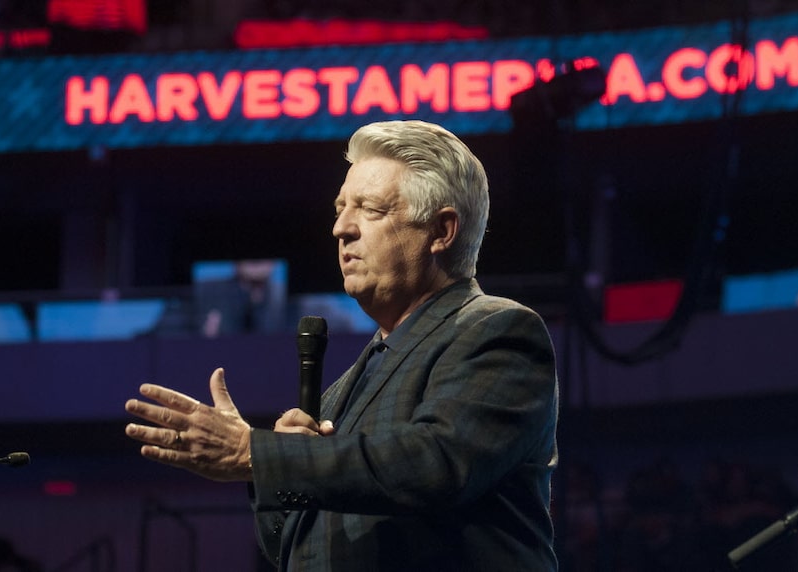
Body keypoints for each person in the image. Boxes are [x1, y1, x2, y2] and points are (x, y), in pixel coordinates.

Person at [125, 120, 560, 571]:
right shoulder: (340, 392)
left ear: (441, 231)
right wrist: (274, 469)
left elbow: (435, 464)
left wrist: (258, 452)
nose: (341, 228)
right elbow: (292, 551)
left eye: (369, 209)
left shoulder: (498, 331)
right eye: (340, 207)